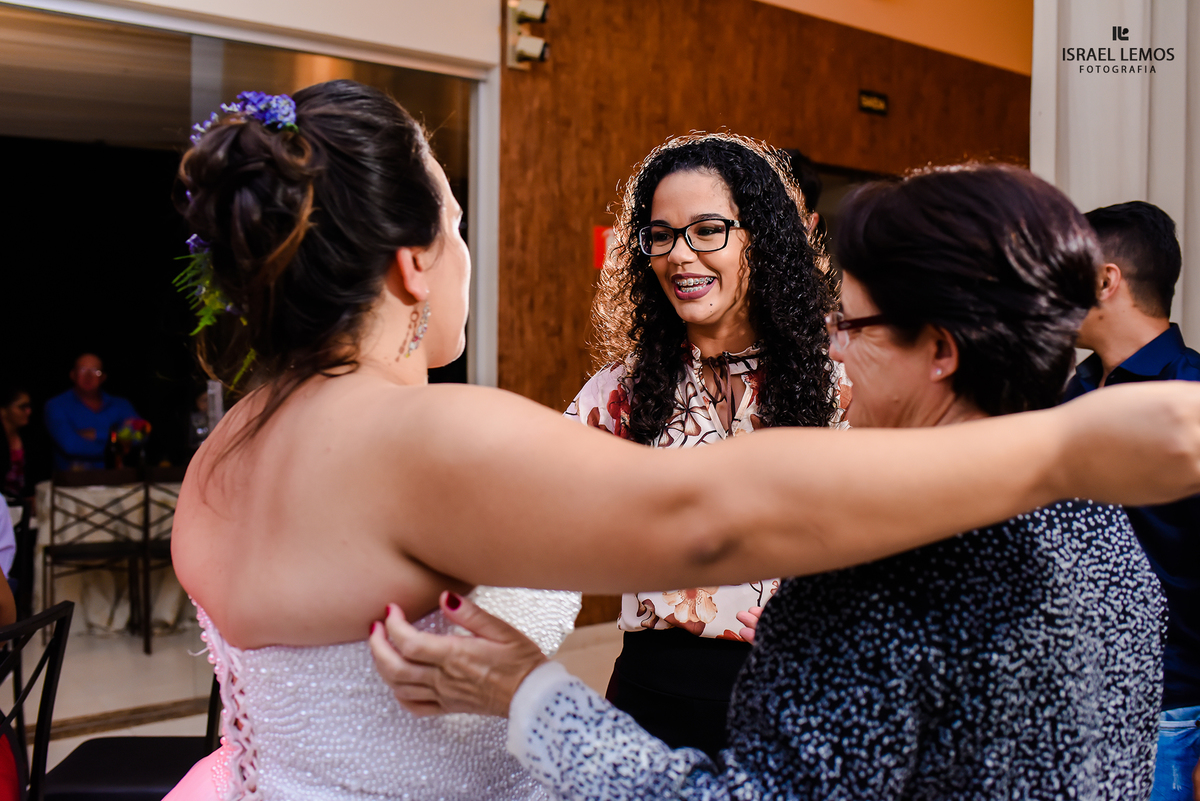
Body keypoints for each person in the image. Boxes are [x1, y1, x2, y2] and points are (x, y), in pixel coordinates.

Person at [163, 80, 1200, 801]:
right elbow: (706, 513)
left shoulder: (226, 451)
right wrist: (1066, 454)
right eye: (460, 223)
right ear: (413, 266)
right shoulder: (420, 434)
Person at [370, 164, 1167, 800]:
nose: (839, 352)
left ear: (940, 350)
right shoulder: (1101, 527)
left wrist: (529, 691)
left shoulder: (873, 562)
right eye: (661, 235)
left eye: (852, 326)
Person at [568, 133, 841, 759]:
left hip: (801, 695)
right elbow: (532, 501)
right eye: (660, 236)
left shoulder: (843, 384)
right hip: (651, 694)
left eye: (707, 230)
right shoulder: (620, 393)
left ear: (760, 239)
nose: (680, 256)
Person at [1064, 200, 1200, 801]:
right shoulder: (1072, 388)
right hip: (1070, 700)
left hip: (1170, 712)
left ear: (1105, 281)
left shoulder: (1192, 395)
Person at [44, 354, 138, 470]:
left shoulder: (121, 404)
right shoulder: (55, 405)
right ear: (73, 375)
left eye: (95, 371)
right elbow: (71, 446)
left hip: (116, 481)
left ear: (103, 377)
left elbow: (142, 432)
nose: (88, 376)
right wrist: (118, 443)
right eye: (83, 370)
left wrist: (96, 434)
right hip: (73, 483)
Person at [0, 385, 32, 500]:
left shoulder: (29, 437)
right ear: (3, 411)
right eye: (22, 407)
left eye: (28, 406)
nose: (28, 411)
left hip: (22, 504)